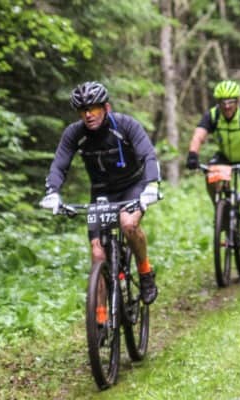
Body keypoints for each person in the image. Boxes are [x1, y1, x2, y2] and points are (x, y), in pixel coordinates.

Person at [40, 81, 161, 305]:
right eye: (83, 110)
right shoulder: (74, 133)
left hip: (131, 187)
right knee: (98, 254)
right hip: (101, 193)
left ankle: (145, 272)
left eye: (94, 108)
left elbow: (148, 156)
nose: (88, 115)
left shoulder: (126, 125)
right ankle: (100, 318)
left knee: (128, 224)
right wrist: (53, 193)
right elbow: (59, 165)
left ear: (106, 108)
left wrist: (151, 186)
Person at [185, 80, 240, 260]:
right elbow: (198, 136)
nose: (227, 106)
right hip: (225, 158)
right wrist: (192, 154)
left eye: (230, 102)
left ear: (237, 101)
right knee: (210, 176)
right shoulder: (213, 115)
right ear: (218, 103)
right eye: (223, 102)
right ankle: (221, 207)